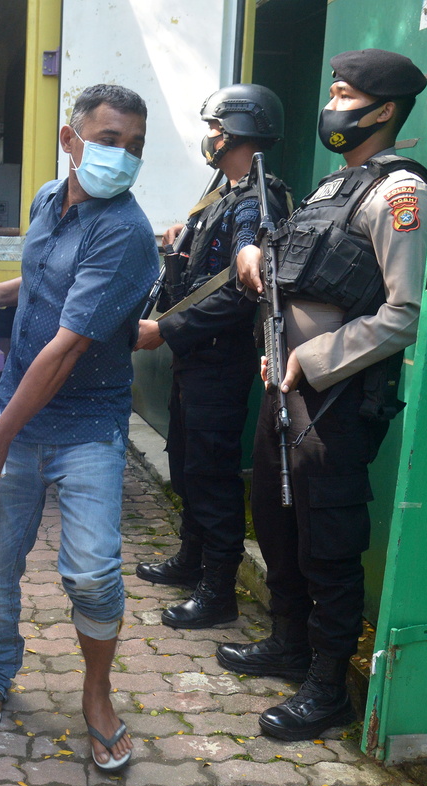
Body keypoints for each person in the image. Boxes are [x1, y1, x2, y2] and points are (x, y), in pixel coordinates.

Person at [221, 49, 427, 741]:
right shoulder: (331, 189)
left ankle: (328, 686)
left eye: (344, 93)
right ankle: (288, 642)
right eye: (334, 90)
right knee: (275, 518)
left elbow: (403, 313)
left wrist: (311, 359)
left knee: (328, 541)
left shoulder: (399, 193)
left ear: (384, 109)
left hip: (335, 399)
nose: (332, 104)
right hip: (285, 385)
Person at [0, 84, 159, 772]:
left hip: (87, 426)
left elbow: (68, 346)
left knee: (92, 572)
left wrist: (1, 432)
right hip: (18, 411)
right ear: (71, 141)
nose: (121, 156)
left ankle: (97, 692)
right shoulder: (46, 199)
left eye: (134, 146)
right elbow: (40, 281)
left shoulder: (125, 232)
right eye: (108, 140)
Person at [134, 84, 290, 630]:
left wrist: (166, 329)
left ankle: (218, 591)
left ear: (241, 130)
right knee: (186, 463)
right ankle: (191, 560)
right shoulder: (225, 192)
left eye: (215, 129)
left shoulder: (257, 200)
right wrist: (187, 235)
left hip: (219, 360)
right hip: (196, 358)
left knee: (212, 476)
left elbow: (242, 291)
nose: (210, 138)